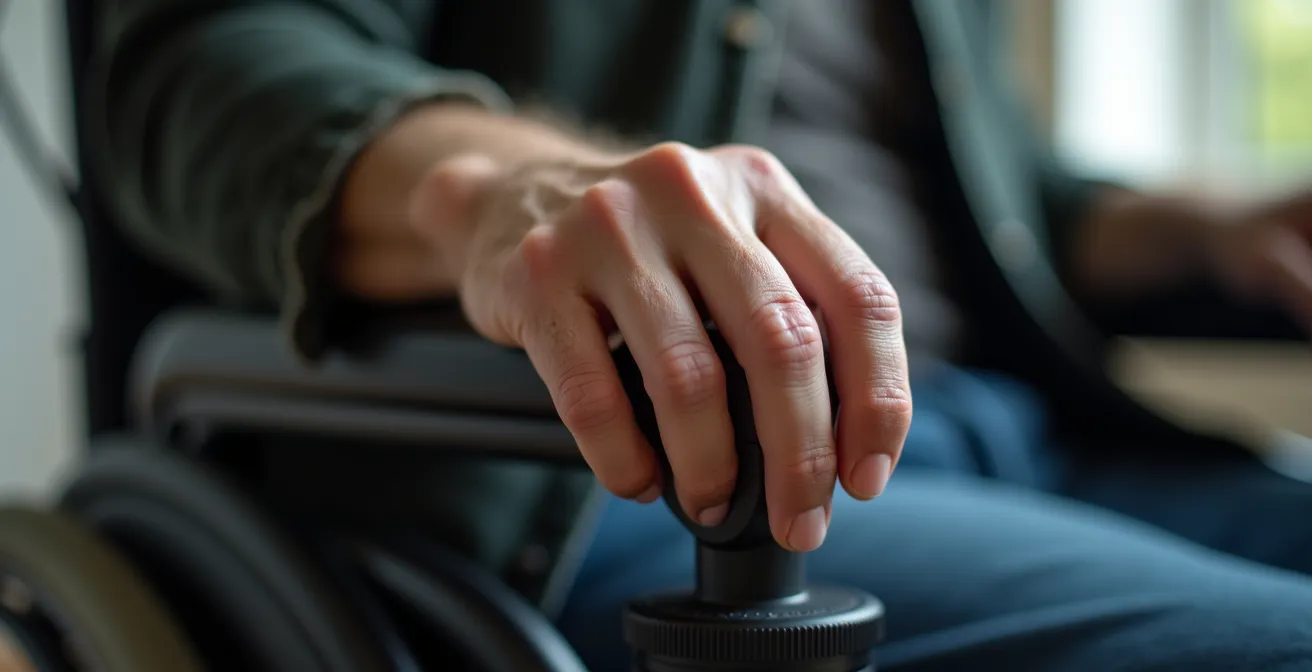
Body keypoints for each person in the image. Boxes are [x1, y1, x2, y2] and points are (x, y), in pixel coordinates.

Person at [87, 0, 1312, 669]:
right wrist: (498, 192)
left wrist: (1194, 230)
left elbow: (973, 196)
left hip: (1014, 426)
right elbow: (196, 75)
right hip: (638, 477)